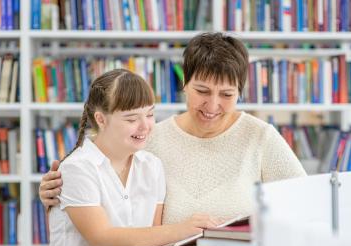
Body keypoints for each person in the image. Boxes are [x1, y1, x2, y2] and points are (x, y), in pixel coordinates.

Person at [40, 32, 306, 227]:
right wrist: (54, 194)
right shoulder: (150, 138)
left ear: (240, 93)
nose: (212, 105)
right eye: (202, 91)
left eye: (226, 94)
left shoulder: (260, 137)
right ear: (184, 83)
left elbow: (309, 204)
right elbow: (98, 188)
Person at [43, 69, 221, 246]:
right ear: (101, 119)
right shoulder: (78, 168)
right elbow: (102, 239)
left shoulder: (152, 166)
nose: (145, 126)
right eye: (131, 119)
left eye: (150, 114)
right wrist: (183, 229)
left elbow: (154, 238)